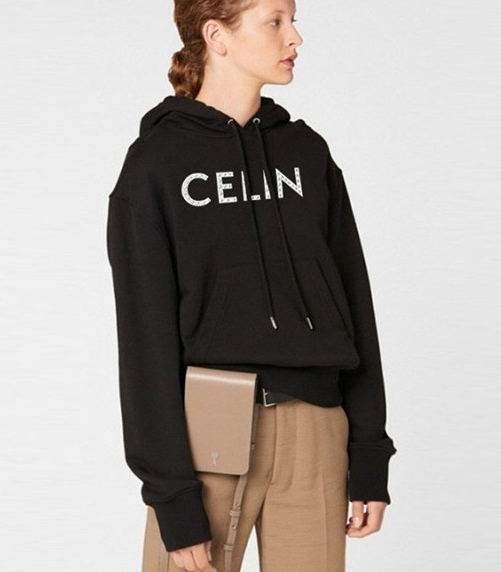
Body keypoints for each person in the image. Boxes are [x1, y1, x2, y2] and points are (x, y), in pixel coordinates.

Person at [105, 0, 397, 570]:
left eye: (294, 20)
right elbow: (143, 338)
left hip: (316, 424)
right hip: (209, 427)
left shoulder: (306, 153)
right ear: (217, 35)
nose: (296, 38)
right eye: (275, 21)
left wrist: (369, 452)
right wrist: (171, 492)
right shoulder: (156, 164)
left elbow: (354, 303)